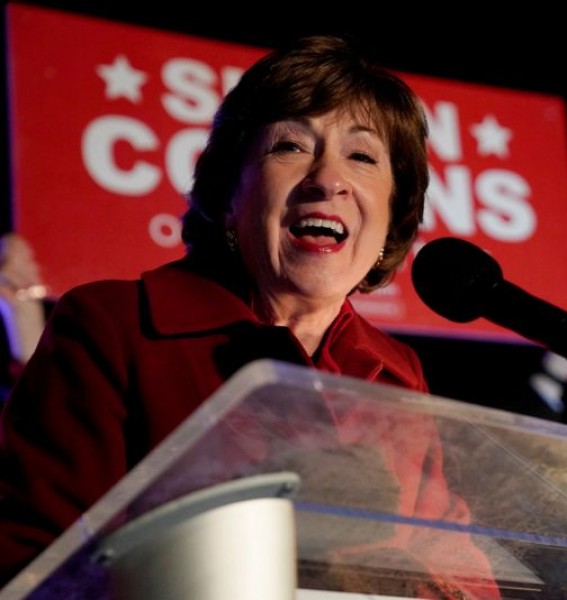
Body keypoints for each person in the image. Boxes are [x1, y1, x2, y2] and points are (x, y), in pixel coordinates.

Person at [0, 35, 500, 598]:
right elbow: (37, 564)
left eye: (362, 157)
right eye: (290, 147)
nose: (327, 179)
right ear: (228, 194)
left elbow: (465, 571)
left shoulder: (398, 373)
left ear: (391, 222)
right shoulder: (114, 326)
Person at [0, 233, 50, 401]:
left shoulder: (31, 305)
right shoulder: (4, 303)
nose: (34, 267)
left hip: (31, 390)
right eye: (27, 260)